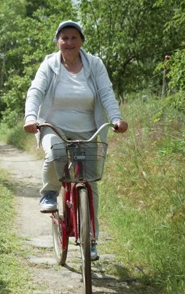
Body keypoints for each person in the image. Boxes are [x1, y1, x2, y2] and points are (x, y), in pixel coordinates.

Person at [23, 20, 128, 260]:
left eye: (73, 38)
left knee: (90, 182)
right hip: (54, 126)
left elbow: (106, 93)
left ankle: (90, 240)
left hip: (88, 129)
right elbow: (36, 91)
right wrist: (31, 117)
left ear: (81, 41)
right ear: (57, 41)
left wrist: (116, 118)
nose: (68, 42)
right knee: (56, 153)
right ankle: (49, 193)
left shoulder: (95, 65)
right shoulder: (50, 65)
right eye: (64, 38)